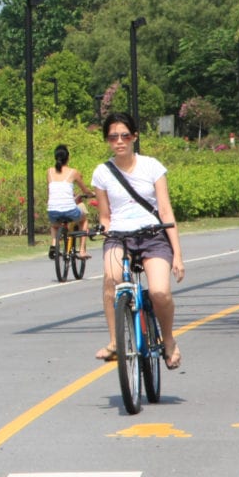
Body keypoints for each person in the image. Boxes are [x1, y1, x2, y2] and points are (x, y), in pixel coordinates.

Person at [91, 112, 184, 369]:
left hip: (153, 236)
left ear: (134, 137)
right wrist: (103, 230)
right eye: (113, 137)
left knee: (159, 292)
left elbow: (165, 212)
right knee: (111, 279)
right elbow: (105, 216)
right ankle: (114, 342)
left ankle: (168, 341)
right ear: (107, 140)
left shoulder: (152, 167)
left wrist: (177, 253)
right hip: (119, 237)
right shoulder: (102, 173)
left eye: (124, 135)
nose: (119, 141)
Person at [46, 144, 94, 260]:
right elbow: (85, 190)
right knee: (84, 219)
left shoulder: (49, 172)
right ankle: (82, 250)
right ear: (68, 157)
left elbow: (51, 192)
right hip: (69, 210)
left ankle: (53, 244)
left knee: (54, 226)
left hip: (52, 211)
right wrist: (91, 194)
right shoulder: (73, 172)